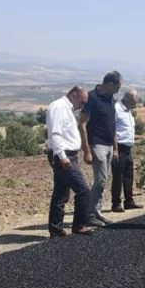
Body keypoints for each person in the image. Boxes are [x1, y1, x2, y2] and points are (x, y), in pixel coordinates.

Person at [46, 86, 96, 237]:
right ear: (74, 95)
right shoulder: (59, 107)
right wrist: (62, 157)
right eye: (82, 101)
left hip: (69, 155)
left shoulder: (67, 108)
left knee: (61, 193)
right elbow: (55, 134)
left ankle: (56, 229)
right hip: (64, 156)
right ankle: (79, 225)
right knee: (83, 190)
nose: (83, 105)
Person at [79, 71, 121, 227]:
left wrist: (115, 148)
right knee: (100, 181)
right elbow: (82, 124)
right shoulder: (92, 98)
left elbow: (112, 125)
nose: (118, 90)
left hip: (109, 145)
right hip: (97, 144)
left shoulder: (111, 99)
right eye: (117, 86)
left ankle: (96, 212)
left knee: (103, 181)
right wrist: (86, 150)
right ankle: (89, 214)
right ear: (110, 84)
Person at [111, 89, 144, 212]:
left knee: (129, 175)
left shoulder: (128, 111)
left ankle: (129, 201)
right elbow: (112, 130)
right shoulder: (116, 109)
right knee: (118, 177)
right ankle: (116, 203)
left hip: (128, 148)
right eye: (135, 100)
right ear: (128, 99)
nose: (136, 103)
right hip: (119, 147)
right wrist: (115, 149)